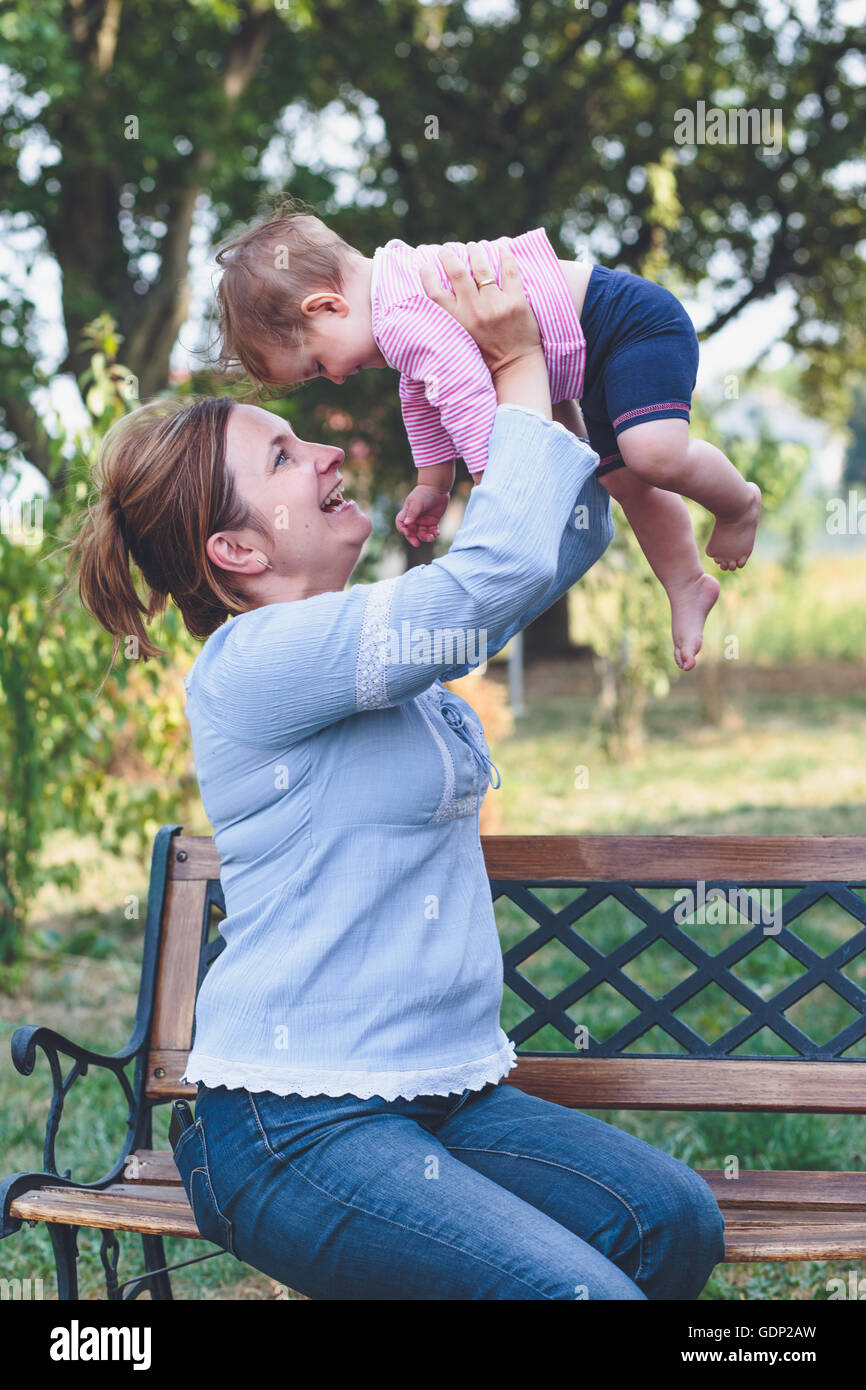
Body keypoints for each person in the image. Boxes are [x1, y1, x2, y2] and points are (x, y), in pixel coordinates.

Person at [69, 243, 724, 1300]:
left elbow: (555, 537)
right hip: (293, 1123)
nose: (328, 452)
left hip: (435, 1096)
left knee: (671, 1221)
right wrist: (511, 373)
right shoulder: (261, 662)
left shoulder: (356, 645)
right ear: (235, 550)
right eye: (284, 457)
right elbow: (482, 586)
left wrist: (546, 376)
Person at [212, 202, 762, 672]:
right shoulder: (392, 312)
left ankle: (737, 504)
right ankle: (686, 583)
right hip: (583, 364)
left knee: (652, 453)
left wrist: (494, 476)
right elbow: (422, 391)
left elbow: (461, 383)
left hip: (624, 325)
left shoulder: (399, 310)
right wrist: (434, 480)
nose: (332, 377)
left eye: (315, 364)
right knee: (626, 482)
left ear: (327, 307)